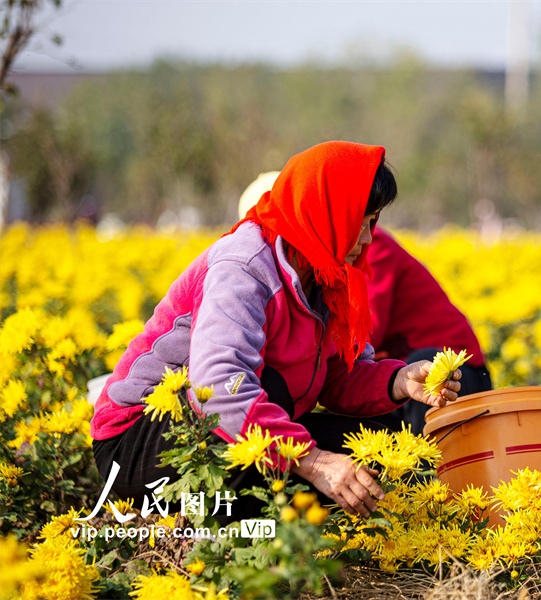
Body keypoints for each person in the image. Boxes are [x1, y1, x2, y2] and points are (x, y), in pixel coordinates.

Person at [90, 141, 461, 521]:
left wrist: (398, 380)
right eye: (359, 221)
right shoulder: (245, 266)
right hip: (139, 440)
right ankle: (214, 530)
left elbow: (335, 376)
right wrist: (314, 462)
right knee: (278, 406)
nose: (367, 238)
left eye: (372, 222)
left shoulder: (325, 274)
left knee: (378, 447)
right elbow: (220, 387)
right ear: (326, 211)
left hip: (224, 424)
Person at [239, 173, 492, 436]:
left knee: (414, 389)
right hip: (403, 366)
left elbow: (366, 330)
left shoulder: (363, 247)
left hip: (455, 374)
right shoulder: (266, 264)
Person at [366, 228, 492, 434]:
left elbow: (369, 330)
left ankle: (427, 466)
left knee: (427, 368)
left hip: (459, 376)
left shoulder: (371, 244)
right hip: (402, 371)